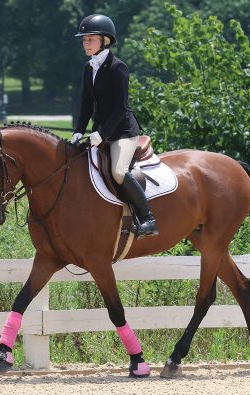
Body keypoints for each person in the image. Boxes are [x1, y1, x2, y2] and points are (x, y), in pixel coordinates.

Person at [71, 14, 158, 239]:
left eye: (90, 39)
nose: (85, 43)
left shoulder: (118, 68)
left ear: (105, 40)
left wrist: (101, 134)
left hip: (123, 132)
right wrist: (79, 130)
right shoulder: (88, 68)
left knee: (118, 172)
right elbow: (86, 104)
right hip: (102, 132)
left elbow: (120, 109)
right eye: (84, 40)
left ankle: (148, 218)